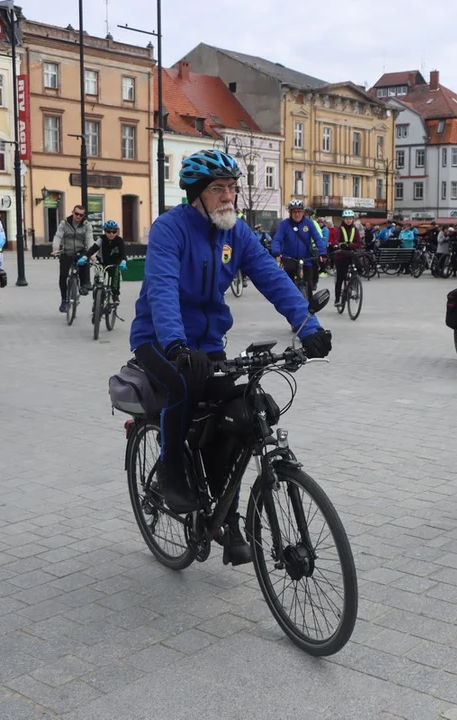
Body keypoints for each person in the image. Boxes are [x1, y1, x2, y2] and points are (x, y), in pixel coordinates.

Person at [129, 149, 333, 566]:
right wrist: (175, 345)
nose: (228, 197)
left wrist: (308, 328)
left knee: (239, 413)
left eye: (232, 189)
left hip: (207, 344)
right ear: (196, 194)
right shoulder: (170, 230)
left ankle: (229, 520)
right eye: (218, 189)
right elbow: (163, 289)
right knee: (182, 386)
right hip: (159, 339)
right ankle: (170, 470)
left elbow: (272, 278)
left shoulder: (235, 233)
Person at [272, 200, 326, 300]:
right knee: (289, 285)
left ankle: (309, 307)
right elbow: (277, 239)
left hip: (306, 258)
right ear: (290, 213)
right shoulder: (284, 224)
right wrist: (276, 252)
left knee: (309, 285)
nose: (297, 214)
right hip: (289, 258)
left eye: (299, 212)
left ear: (303, 212)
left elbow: (317, 238)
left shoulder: (308, 223)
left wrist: (322, 252)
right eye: (294, 212)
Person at [51, 204, 95, 311]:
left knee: (84, 261)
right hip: (67, 252)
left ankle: (83, 285)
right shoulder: (64, 223)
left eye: (81, 215)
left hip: (80, 251)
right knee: (63, 276)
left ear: (83, 215)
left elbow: (89, 238)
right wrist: (56, 248)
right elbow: (58, 236)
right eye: (76, 214)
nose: (78, 216)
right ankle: (64, 301)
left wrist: (92, 252)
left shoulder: (86, 225)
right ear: (72, 212)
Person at [77, 219, 127, 305]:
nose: (111, 234)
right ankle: (97, 297)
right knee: (99, 279)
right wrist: (85, 257)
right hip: (102, 263)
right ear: (105, 231)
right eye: (108, 231)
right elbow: (93, 248)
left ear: (117, 231)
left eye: (114, 231)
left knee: (116, 277)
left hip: (114, 264)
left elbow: (123, 254)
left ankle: (115, 295)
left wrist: (123, 262)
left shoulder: (119, 240)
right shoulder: (101, 239)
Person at [331, 210, 363, 307]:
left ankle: (354, 281)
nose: (348, 221)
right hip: (341, 255)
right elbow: (336, 240)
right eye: (347, 219)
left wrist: (350, 245)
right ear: (343, 219)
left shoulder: (355, 230)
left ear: (353, 219)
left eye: (350, 219)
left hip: (351, 254)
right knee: (340, 277)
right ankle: (337, 299)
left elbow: (358, 243)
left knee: (357, 267)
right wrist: (338, 245)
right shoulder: (339, 229)